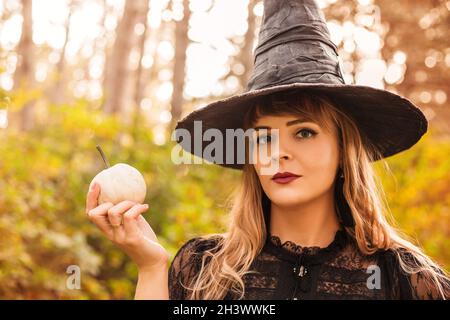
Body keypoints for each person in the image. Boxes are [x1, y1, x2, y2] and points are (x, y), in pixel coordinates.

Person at [85, 0, 450, 299]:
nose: (277, 153)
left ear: (344, 149)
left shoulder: (408, 281)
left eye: (304, 132)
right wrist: (151, 267)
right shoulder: (202, 272)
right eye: (263, 137)